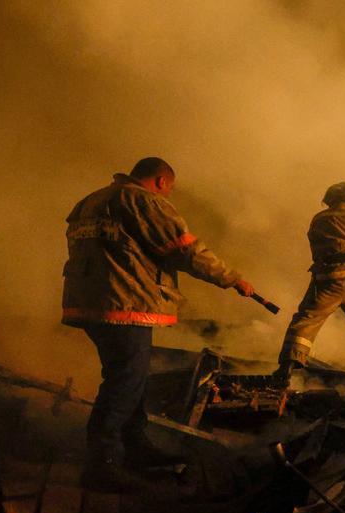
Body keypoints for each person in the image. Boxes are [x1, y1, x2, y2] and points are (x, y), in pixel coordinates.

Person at [62, 157, 256, 491]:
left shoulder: (92, 200)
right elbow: (187, 251)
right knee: (124, 382)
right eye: (169, 190)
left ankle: (134, 444)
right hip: (124, 303)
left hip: (91, 302)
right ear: (162, 181)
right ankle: (102, 464)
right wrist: (233, 279)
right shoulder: (143, 200)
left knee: (127, 377)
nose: (168, 197)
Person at [275, 182, 345, 380]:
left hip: (328, 277)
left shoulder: (319, 219)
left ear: (330, 201)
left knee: (307, 320)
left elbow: (316, 247)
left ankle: (287, 368)